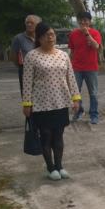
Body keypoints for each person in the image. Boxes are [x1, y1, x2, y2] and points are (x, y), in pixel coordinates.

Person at [21, 23, 80, 181]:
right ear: (39, 38)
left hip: (61, 101)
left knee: (58, 135)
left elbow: (71, 78)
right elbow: (27, 82)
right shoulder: (32, 56)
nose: (50, 37)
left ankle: (59, 166)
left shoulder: (63, 55)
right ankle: (50, 167)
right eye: (47, 35)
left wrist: (76, 98)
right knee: (46, 135)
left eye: (52, 34)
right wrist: (27, 103)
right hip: (41, 103)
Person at [68, 11, 102, 124]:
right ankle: (79, 112)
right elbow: (72, 51)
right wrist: (69, 65)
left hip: (91, 67)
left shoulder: (95, 33)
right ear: (78, 21)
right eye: (81, 20)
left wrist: (87, 34)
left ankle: (94, 115)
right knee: (76, 92)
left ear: (90, 21)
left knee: (93, 93)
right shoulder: (73, 34)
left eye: (85, 20)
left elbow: (96, 46)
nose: (83, 22)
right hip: (76, 67)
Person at [10, 14, 41, 96]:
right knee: (27, 93)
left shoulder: (42, 37)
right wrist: (21, 67)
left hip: (42, 69)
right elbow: (13, 56)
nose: (29, 25)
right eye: (27, 23)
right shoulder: (18, 38)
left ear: (38, 25)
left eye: (32, 23)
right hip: (25, 70)